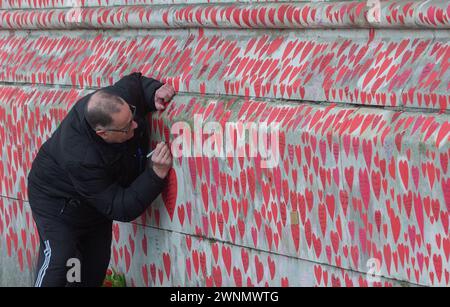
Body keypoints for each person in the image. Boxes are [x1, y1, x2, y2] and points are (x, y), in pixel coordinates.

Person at [27, 72, 175, 287]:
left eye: (132, 117)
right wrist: (155, 175)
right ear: (102, 133)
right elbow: (121, 208)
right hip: (56, 203)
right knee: (61, 260)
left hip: (95, 201)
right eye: (126, 127)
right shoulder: (81, 157)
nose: (135, 126)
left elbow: (135, 82)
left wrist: (153, 91)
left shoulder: (119, 100)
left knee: (92, 270)